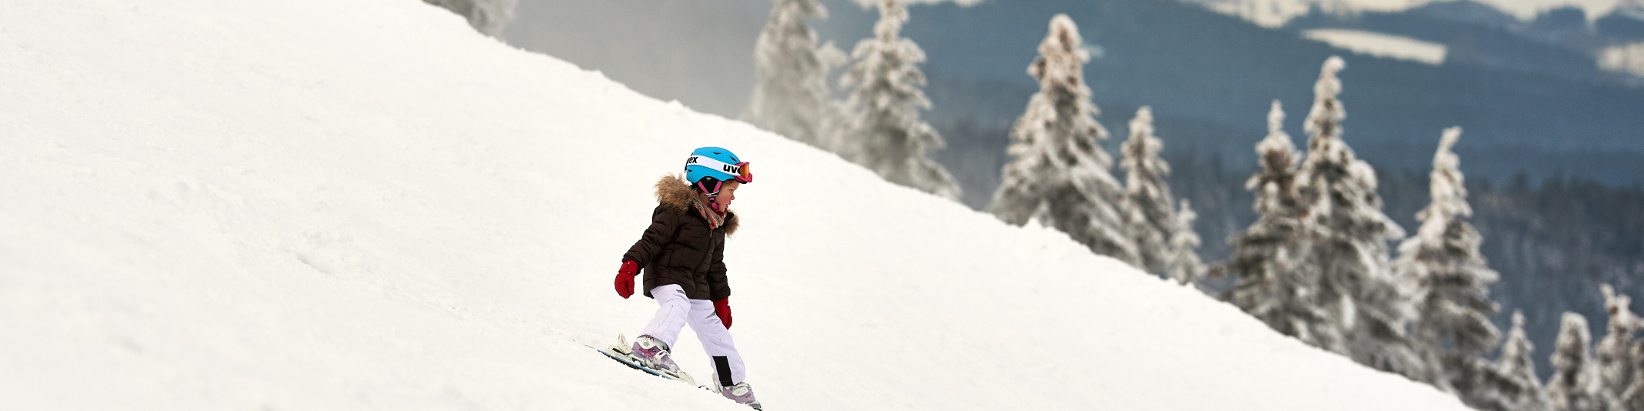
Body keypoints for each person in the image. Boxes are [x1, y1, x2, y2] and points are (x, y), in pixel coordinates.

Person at [614, 147, 760, 409]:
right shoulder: (675, 210)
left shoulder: (717, 222)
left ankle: (731, 383)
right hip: (667, 275)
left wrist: (721, 301)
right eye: (731, 191)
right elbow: (652, 240)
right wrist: (630, 266)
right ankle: (649, 344)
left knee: (716, 332)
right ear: (710, 184)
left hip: (698, 286)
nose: (733, 198)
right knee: (677, 305)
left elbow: (716, 266)